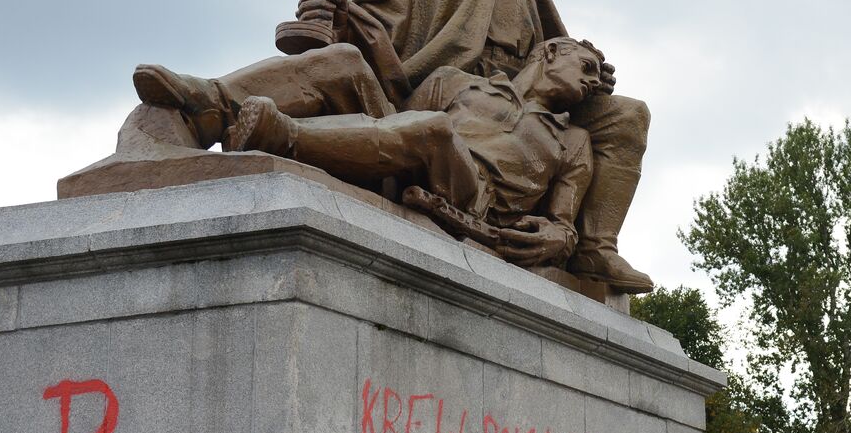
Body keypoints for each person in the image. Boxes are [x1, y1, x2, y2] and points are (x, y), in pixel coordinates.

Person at [294, 0, 654, 292]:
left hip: (520, 96)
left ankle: (596, 249)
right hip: (443, 82)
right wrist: (333, 15)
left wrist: (591, 74)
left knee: (628, 115)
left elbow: (553, 52)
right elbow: (373, 16)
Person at [134, 37, 604, 268]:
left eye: (597, 76)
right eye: (586, 67)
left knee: (436, 131)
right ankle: (210, 105)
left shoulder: (573, 141)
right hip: (406, 158)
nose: (593, 82)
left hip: (471, 194)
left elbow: (565, 226)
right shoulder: (458, 83)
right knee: (345, 59)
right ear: (548, 53)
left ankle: (281, 135)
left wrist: (560, 238)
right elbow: (397, 121)